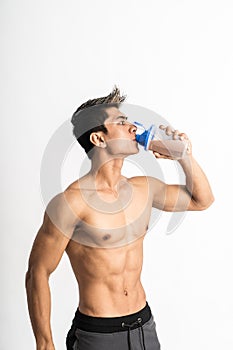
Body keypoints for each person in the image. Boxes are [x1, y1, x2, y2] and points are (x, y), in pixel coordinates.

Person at [25, 86, 214, 350]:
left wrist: (184, 156)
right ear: (99, 139)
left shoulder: (142, 189)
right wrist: (45, 344)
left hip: (144, 327)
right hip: (99, 335)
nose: (133, 128)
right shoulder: (71, 203)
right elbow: (37, 272)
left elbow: (201, 200)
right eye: (121, 122)